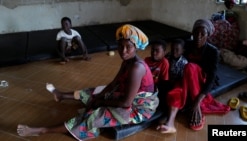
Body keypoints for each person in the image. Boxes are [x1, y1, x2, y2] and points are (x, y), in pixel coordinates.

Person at [16, 24, 159, 140]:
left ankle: (43, 130)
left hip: (138, 108)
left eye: (129, 47)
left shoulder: (136, 67)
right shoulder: (127, 62)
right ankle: (61, 95)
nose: (124, 51)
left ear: (136, 47)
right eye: (121, 46)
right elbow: (113, 83)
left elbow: (126, 103)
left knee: (94, 116)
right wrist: (99, 97)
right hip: (126, 97)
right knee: (94, 92)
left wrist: (101, 102)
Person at [157, 19, 230, 133]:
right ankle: (170, 123)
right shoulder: (187, 44)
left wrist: (197, 103)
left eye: (203, 34)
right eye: (196, 33)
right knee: (175, 92)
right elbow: (172, 54)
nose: (198, 37)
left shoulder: (213, 52)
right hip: (185, 80)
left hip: (201, 82)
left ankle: (196, 107)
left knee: (190, 67)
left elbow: (211, 78)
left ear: (208, 35)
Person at [156, 38, 188, 133]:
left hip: (176, 84)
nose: (174, 51)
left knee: (172, 95)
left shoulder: (184, 63)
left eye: (177, 50)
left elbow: (182, 80)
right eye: (173, 49)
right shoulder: (168, 56)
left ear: (182, 51)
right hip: (166, 81)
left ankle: (169, 120)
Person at [144, 39, 169, 109]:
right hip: (145, 86)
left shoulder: (164, 62)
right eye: (152, 50)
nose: (154, 53)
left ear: (164, 53)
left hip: (156, 88)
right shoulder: (146, 60)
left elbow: (164, 82)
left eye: (157, 51)